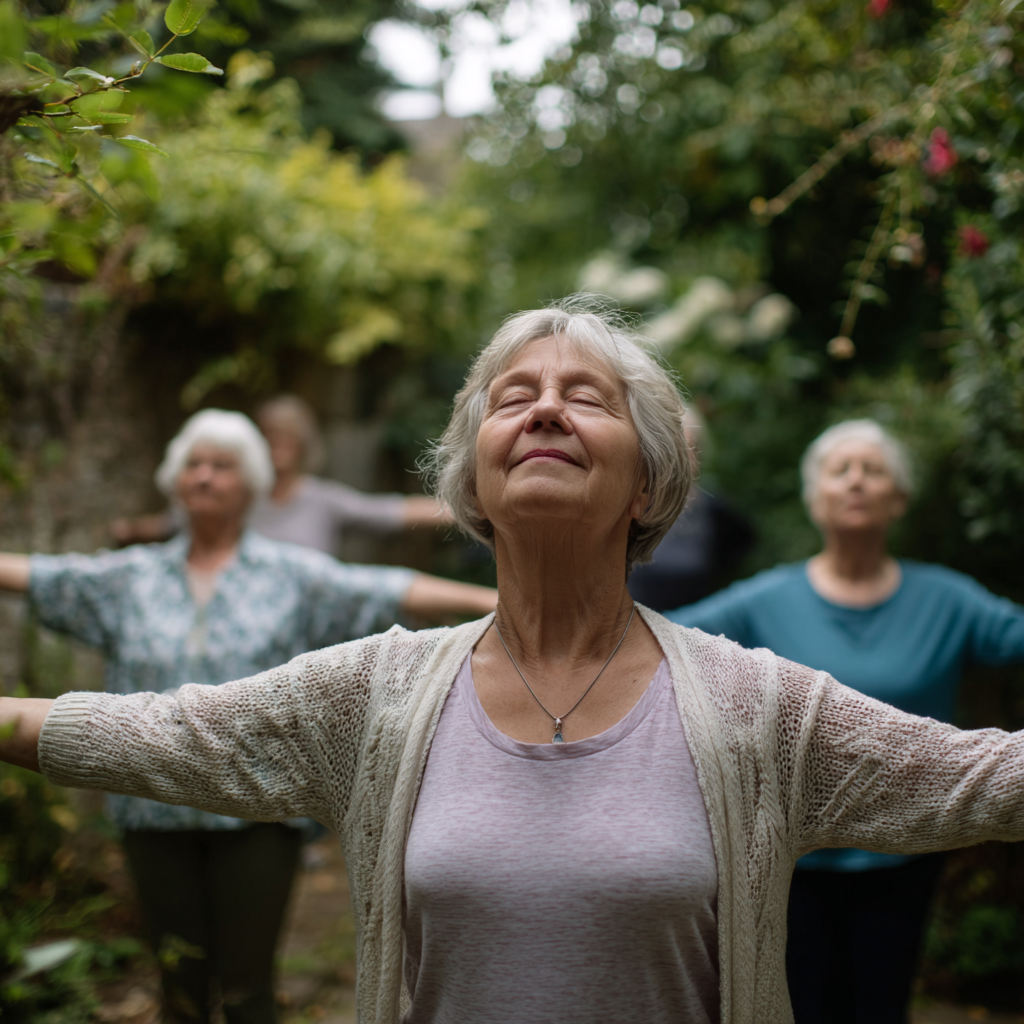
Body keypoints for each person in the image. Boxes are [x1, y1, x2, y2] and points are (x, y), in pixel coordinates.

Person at [4, 306, 1024, 1024]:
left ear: (647, 482)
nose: (543, 410)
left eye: (585, 397)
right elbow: (165, 732)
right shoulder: (375, 695)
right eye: (515, 396)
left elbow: (981, 775)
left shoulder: (755, 705)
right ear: (475, 481)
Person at [0, 408, 495, 1024]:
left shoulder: (289, 575)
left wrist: (500, 603)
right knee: (178, 986)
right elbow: (39, 577)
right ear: (175, 480)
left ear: (252, 484)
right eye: (193, 464)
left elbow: (391, 590)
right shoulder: (128, 578)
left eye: (222, 465)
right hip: (149, 805)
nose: (205, 476)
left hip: (258, 806)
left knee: (247, 991)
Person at [664, 418, 1024, 1024]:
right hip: (790, 856)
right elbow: (659, 635)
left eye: (873, 470)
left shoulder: (948, 600)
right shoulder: (765, 600)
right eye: (840, 470)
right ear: (816, 497)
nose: (856, 481)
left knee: (881, 1004)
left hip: (906, 852)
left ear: (898, 498)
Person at [111, 394, 451, 554]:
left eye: (289, 435)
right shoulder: (234, 499)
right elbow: (171, 522)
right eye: (270, 434)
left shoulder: (323, 501)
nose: (279, 443)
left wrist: (464, 511)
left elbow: (392, 511)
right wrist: (126, 531)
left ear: (304, 444)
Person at [628, 405, 755, 610]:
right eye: (674, 450)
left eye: (690, 450)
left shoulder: (712, 510)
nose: (683, 461)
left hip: (691, 623)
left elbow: (743, 541)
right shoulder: (625, 506)